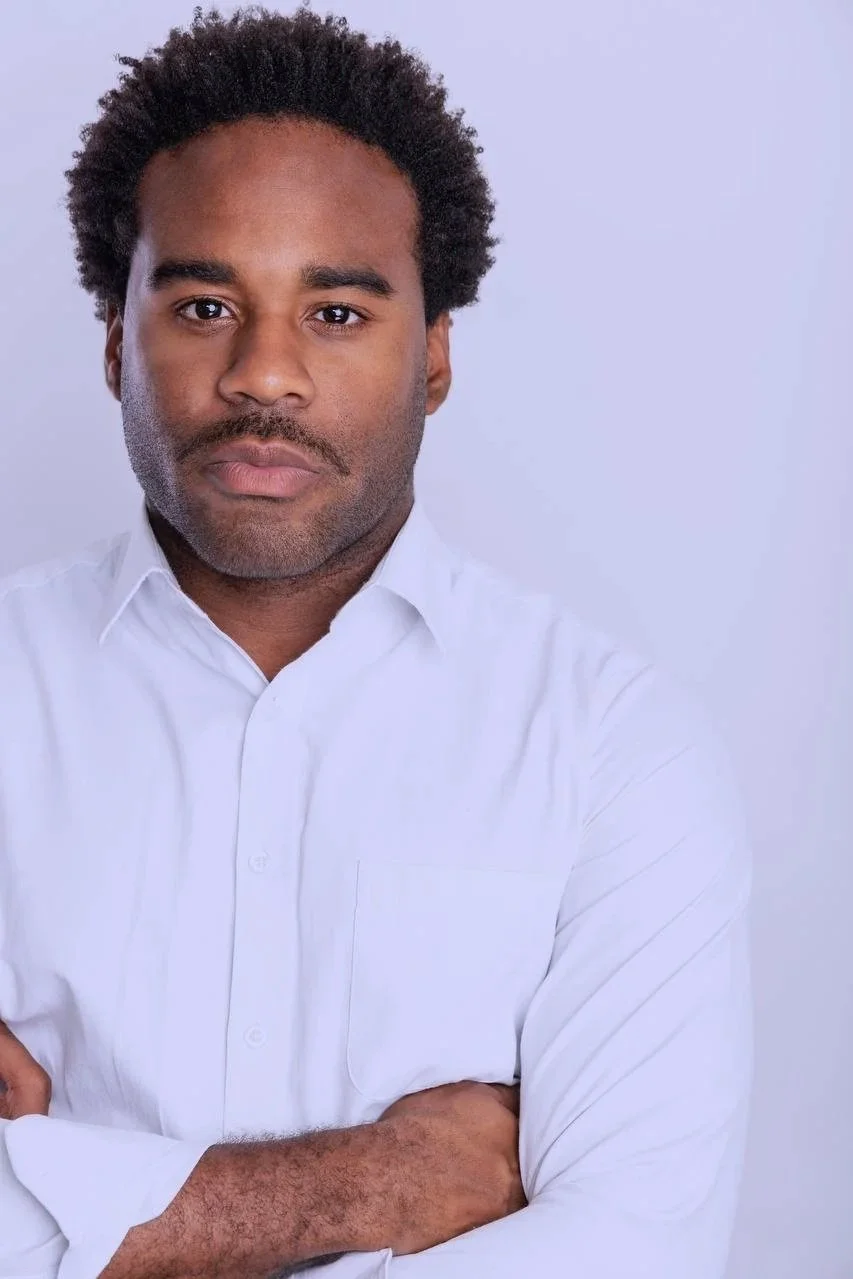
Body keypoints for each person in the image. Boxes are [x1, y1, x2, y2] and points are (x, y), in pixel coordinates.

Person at [0, 5, 754, 1278]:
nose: (265, 374)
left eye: (338, 313)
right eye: (200, 304)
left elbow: (635, 1250)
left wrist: (75, 1208)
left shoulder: (611, 750)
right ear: (116, 338)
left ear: (436, 355)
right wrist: (374, 1185)